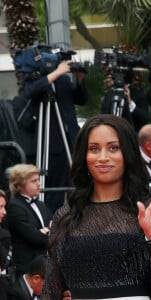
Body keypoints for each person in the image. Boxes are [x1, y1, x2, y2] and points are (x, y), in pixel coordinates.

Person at [41, 114, 151, 299]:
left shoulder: (150, 210)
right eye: (94, 149)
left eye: (113, 148)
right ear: (84, 155)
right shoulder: (66, 215)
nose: (103, 157)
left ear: (128, 153)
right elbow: (51, 290)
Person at [23, 60, 88, 213]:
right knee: (55, 191)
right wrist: (57, 72)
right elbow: (30, 92)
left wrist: (80, 79)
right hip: (51, 144)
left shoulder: (64, 80)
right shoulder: (35, 79)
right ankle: (54, 223)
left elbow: (81, 99)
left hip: (72, 140)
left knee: (79, 183)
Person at [6, 164, 52, 279]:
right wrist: (49, 231)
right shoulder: (15, 207)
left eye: (38, 180)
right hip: (27, 270)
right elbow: (36, 238)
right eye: (33, 181)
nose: (39, 183)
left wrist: (45, 231)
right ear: (20, 185)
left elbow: (57, 226)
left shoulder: (41, 205)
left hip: (46, 266)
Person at [0, 189, 11, 300]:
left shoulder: (4, 235)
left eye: (4, 207)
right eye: (0, 207)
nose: (4, 212)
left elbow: (3, 263)